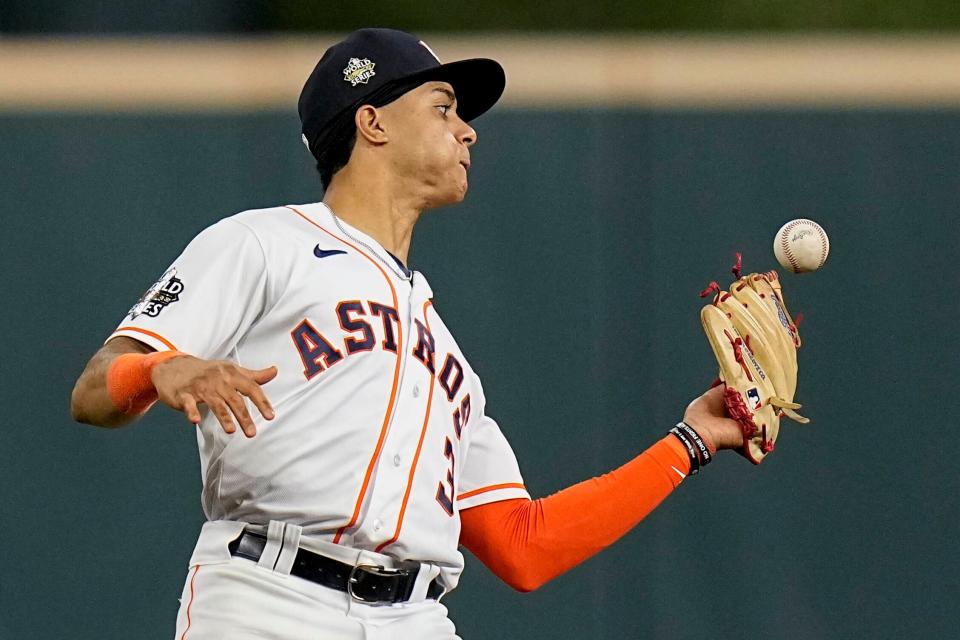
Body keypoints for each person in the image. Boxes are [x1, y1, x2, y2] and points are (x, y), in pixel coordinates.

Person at [71, 28, 744, 639]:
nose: (469, 132)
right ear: (372, 123)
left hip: (414, 620)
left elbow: (523, 546)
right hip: (266, 600)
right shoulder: (264, 243)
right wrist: (158, 370)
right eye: (444, 107)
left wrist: (690, 441)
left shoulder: (445, 356)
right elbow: (94, 390)